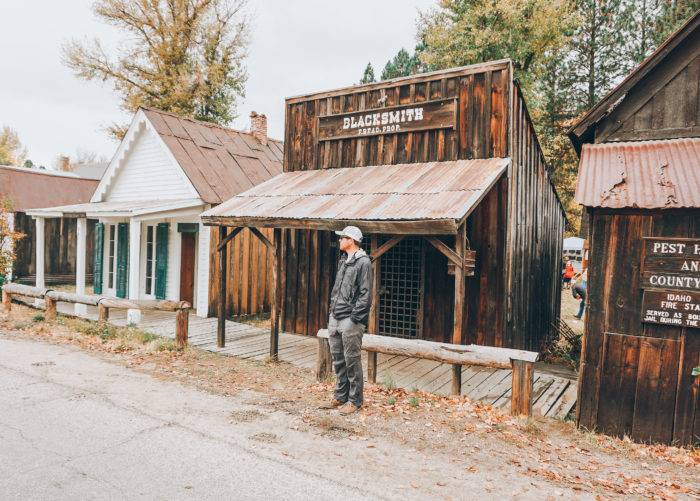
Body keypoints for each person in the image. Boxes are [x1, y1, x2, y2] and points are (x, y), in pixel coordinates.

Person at [322, 225, 372, 415]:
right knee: (338, 360)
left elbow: (365, 295)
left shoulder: (364, 263)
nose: (339, 240)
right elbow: (337, 289)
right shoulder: (343, 261)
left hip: (350, 320)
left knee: (352, 360)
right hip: (335, 317)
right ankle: (340, 396)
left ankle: (355, 400)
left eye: (342, 238)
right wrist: (331, 311)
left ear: (351, 240)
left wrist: (354, 318)